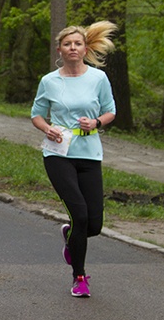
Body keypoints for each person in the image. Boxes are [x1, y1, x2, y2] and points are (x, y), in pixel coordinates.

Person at [30, 21, 117, 298]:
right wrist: (47, 128)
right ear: (60, 49)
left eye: (77, 43)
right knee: (80, 214)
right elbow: (36, 114)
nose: (73, 48)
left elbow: (110, 111)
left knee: (94, 225)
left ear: (85, 48)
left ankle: (70, 237)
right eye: (67, 44)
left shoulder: (98, 78)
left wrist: (96, 123)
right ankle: (79, 277)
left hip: (90, 153)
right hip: (58, 154)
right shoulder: (49, 81)